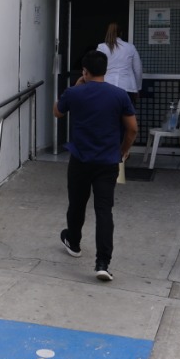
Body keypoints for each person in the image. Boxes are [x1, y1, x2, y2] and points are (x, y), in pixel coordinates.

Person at [53, 50, 138, 281]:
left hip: (80, 159)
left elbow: (57, 112)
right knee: (104, 210)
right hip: (108, 161)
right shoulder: (119, 95)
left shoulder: (74, 93)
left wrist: (75, 86)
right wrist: (123, 150)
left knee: (77, 204)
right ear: (105, 70)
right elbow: (132, 129)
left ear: (85, 71)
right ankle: (102, 263)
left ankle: (74, 242)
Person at [96, 23, 143, 108]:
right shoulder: (130, 47)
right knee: (127, 114)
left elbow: (97, 67)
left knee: (108, 113)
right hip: (127, 87)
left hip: (107, 86)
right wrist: (137, 87)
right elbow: (138, 70)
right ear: (121, 33)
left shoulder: (101, 47)